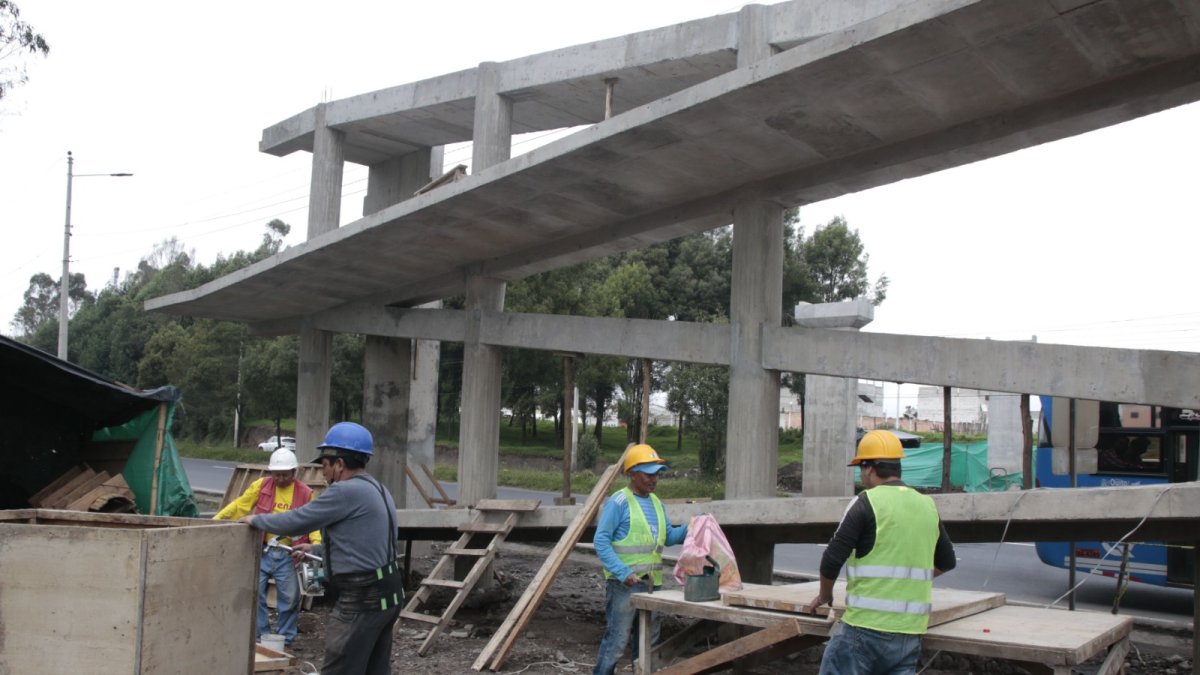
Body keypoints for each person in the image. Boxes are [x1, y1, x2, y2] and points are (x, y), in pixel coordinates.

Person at [241, 422, 402, 675]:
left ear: (339, 464)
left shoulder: (344, 491)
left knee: (339, 666)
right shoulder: (378, 489)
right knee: (373, 669)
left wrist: (255, 520)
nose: (323, 473)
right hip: (389, 593)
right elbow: (365, 542)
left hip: (362, 597)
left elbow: (297, 520)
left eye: (324, 466)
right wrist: (315, 549)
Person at [805, 430, 957, 675]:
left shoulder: (866, 502)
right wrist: (906, 583)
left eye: (860, 468)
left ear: (869, 468)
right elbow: (947, 561)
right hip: (909, 635)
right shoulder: (927, 504)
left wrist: (825, 595)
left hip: (864, 629)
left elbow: (832, 559)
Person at [592, 443, 689, 675]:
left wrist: (691, 528)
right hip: (624, 585)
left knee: (647, 645)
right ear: (632, 473)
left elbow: (669, 537)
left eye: (657, 475)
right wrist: (623, 572)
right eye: (648, 474)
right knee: (616, 642)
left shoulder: (657, 503)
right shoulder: (619, 502)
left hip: (651, 585)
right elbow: (600, 541)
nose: (654, 480)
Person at [214, 446, 320, 647]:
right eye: (276, 474)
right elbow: (240, 506)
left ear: (293, 473)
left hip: (289, 553)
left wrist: (315, 545)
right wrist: (216, 521)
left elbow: (313, 521)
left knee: (290, 598)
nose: (279, 478)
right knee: (254, 595)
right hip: (261, 551)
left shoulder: (305, 493)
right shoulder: (261, 486)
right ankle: (260, 637)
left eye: (284, 474)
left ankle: (285, 638)